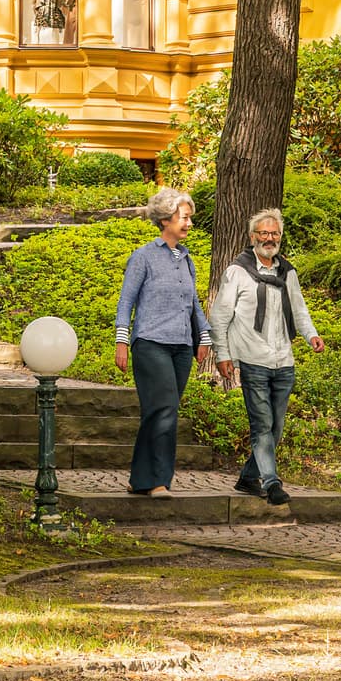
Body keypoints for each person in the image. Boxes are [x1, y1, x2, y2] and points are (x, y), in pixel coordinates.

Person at [211, 208, 324, 505]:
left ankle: (248, 478)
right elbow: (220, 317)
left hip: (283, 361)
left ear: (280, 237)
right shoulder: (237, 272)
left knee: (276, 427)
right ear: (252, 237)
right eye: (263, 233)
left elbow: (299, 310)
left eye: (274, 234)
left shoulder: (288, 272)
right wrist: (222, 355)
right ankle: (271, 483)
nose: (269, 239)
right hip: (252, 359)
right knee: (262, 425)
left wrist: (311, 334)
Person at [114, 187, 213, 496]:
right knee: (165, 408)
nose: (189, 224)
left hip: (181, 346)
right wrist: (121, 341)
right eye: (184, 218)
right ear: (166, 219)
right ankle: (158, 480)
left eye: (189, 218)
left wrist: (204, 337)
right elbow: (126, 300)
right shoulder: (143, 256)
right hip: (150, 342)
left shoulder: (186, 259)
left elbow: (193, 303)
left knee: (159, 410)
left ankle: (140, 479)